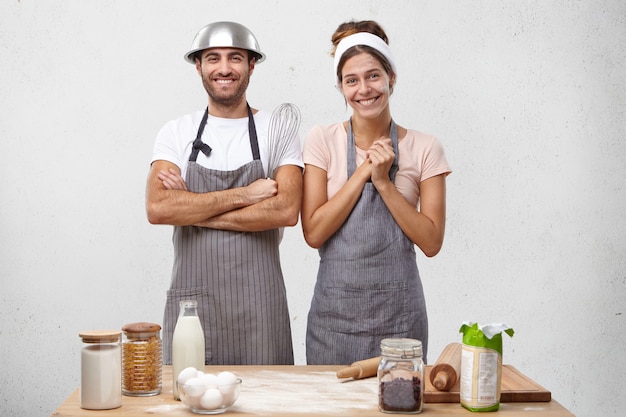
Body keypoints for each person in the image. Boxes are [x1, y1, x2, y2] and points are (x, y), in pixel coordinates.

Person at [146, 21, 303, 365]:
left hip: (260, 306)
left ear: (251, 65)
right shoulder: (176, 132)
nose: (224, 68)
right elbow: (159, 207)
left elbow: (286, 211)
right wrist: (246, 195)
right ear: (198, 65)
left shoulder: (277, 130)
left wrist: (193, 209)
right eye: (213, 58)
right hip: (195, 307)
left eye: (235, 58)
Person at [301, 20, 451, 365]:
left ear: (391, 78)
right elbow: (313, 231)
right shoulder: (322, 139)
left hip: (401, 321)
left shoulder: (425, 148)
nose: (364, 89)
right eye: (351, 80)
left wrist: (384, 183)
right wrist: (365, 172)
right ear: (340, 87)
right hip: (333, 323)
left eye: (373, 76)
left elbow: (431, 242)